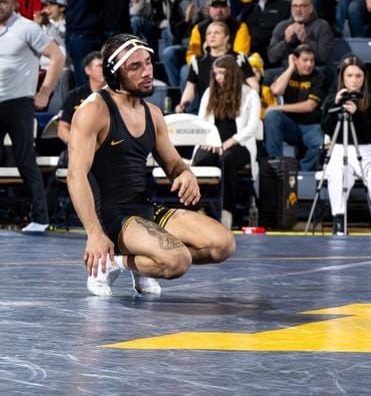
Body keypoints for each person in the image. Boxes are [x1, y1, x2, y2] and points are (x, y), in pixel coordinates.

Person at [67, 34, 235, 296]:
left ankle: (131, 263)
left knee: (222, 244)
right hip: (112, 216)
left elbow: (174, 164)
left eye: (148, 63)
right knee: (177, 260)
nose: (147, 72)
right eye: (135, 67)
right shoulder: (94, 111)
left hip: (142, 208)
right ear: (114, 75)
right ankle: (113, 262)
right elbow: (76, 176)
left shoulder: (152, 113)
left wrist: (186, 174)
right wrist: (94, 233)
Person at [0, 0, 65, 232]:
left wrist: (45, 92)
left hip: (18, 103)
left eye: (4, 1)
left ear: (14, 3)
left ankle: (40, 218)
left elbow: (57, 57)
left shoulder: (27, 28)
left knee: (25, 161)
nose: (0, 6)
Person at [321, 57, 371, 234]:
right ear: (342, 77)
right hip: (339, 148)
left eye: (358, 76)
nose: (354, 80)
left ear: (364, 78)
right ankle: (338, 220)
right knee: (337, 175)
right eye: (349, 75)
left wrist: (357, 114)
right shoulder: (332, 99)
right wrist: (336, 105)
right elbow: (327, 128)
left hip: (364, 149)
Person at [196, 55, 262, 229]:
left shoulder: (250, 94)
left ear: (232, 74)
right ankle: (200, 208)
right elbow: (201, 121)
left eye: (222, 74)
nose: (218, 78)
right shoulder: (210, 93)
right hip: (213, 143)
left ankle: (227, 212)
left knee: (227, 159)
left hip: (239, 145)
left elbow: (252, 127)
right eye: (216, 74)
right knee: (202, 159)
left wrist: (229, 142)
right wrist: (209, 141)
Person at [264, 44, 328, 173]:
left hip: (310, 125)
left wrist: (280, 107)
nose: (309, 64)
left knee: (319, 144)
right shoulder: (288, 74)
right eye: (305, 60)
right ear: (295, 60)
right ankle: (276, 163)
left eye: (312, 60)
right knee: (272, 116)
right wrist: (291, 68)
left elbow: (309, 106)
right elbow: (276, 90)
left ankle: (300, 172)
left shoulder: (319, 77)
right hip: (290, 125)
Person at [176, 19, 258, 113]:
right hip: (208, 109)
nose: (212, 36)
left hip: (236, 109)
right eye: (209, 33)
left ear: (226, 37)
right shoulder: (197, 61)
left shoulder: (239, 59)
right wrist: (183, 104)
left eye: (217, 33)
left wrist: (245, 103)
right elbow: (190, 88)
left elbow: (254, 86)